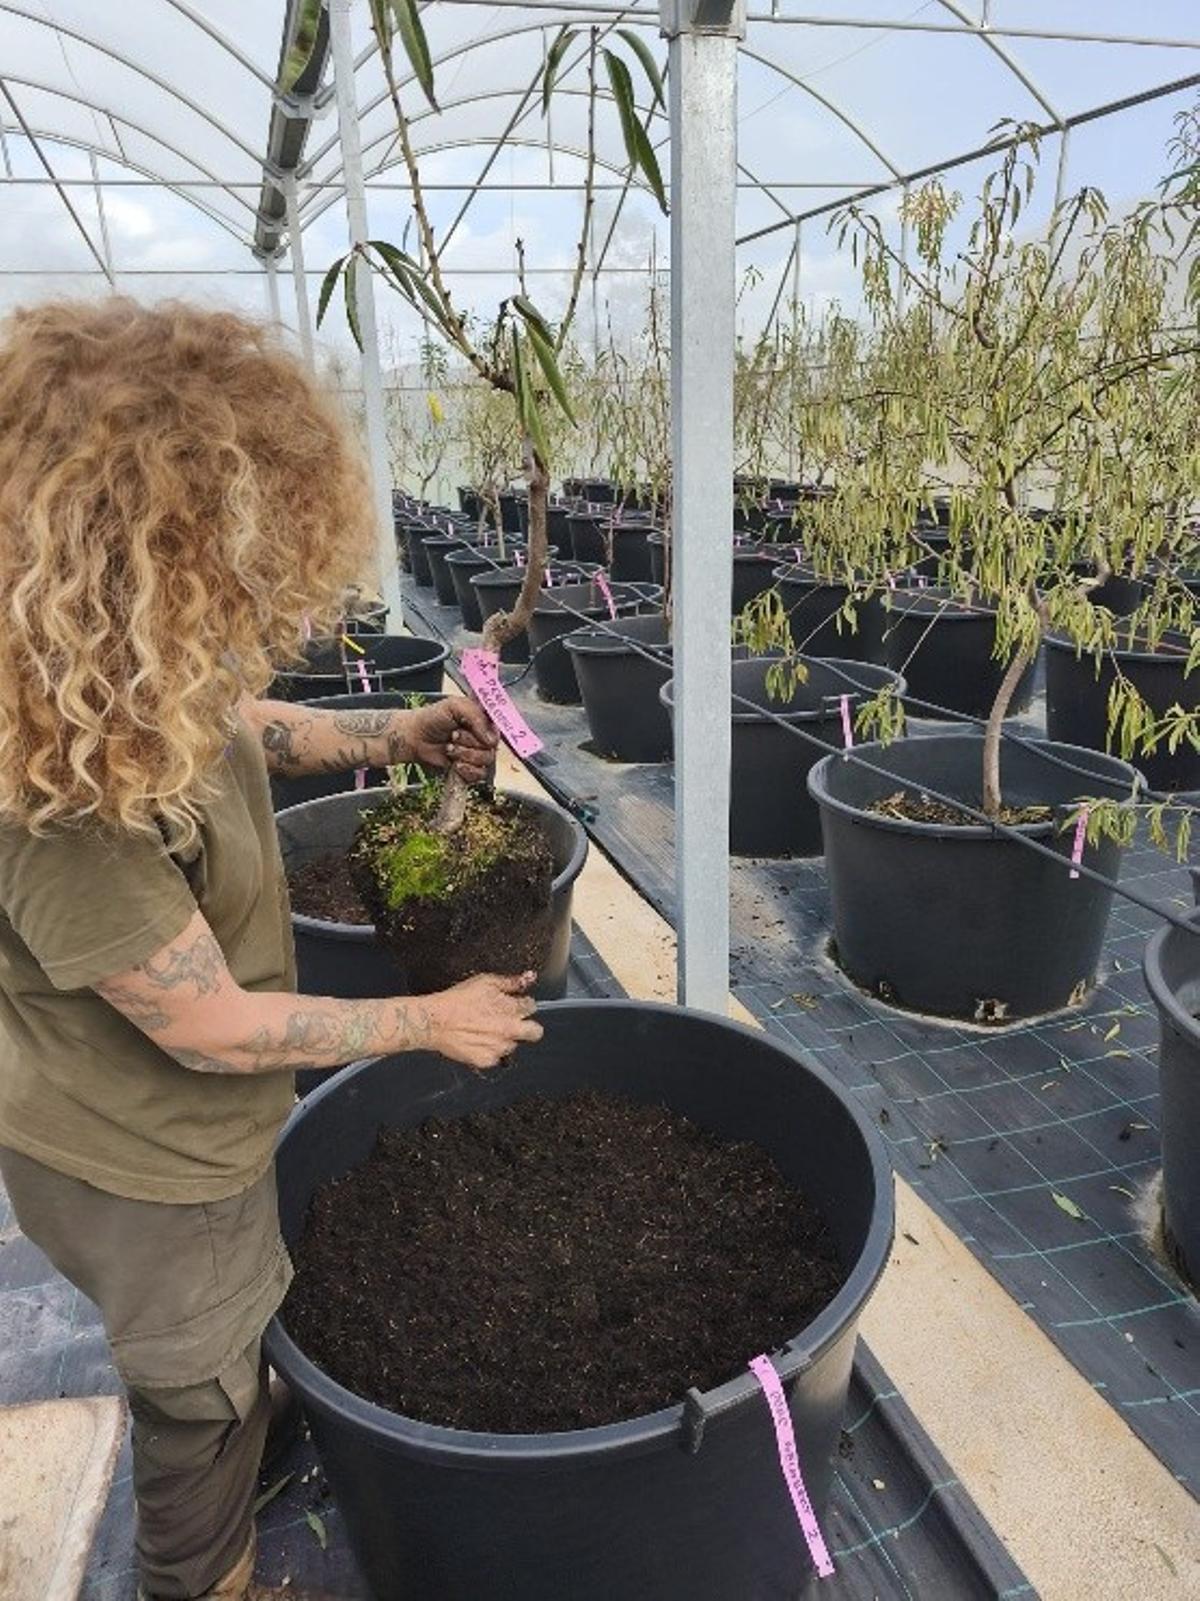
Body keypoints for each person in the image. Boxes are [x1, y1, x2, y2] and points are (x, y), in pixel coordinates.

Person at [0, 299, 542, 1601]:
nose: (252, 579)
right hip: (144, 1161)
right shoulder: (64, 809)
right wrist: (426, 1020)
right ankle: (209, 1575)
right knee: (196, 1402)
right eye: (221, 549)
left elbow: (241, 719)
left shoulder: (119, 673)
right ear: (141, 558)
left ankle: (254, 1400)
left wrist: (389, 735)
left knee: (242, 1333)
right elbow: (207, 1027)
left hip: (201, 1133)